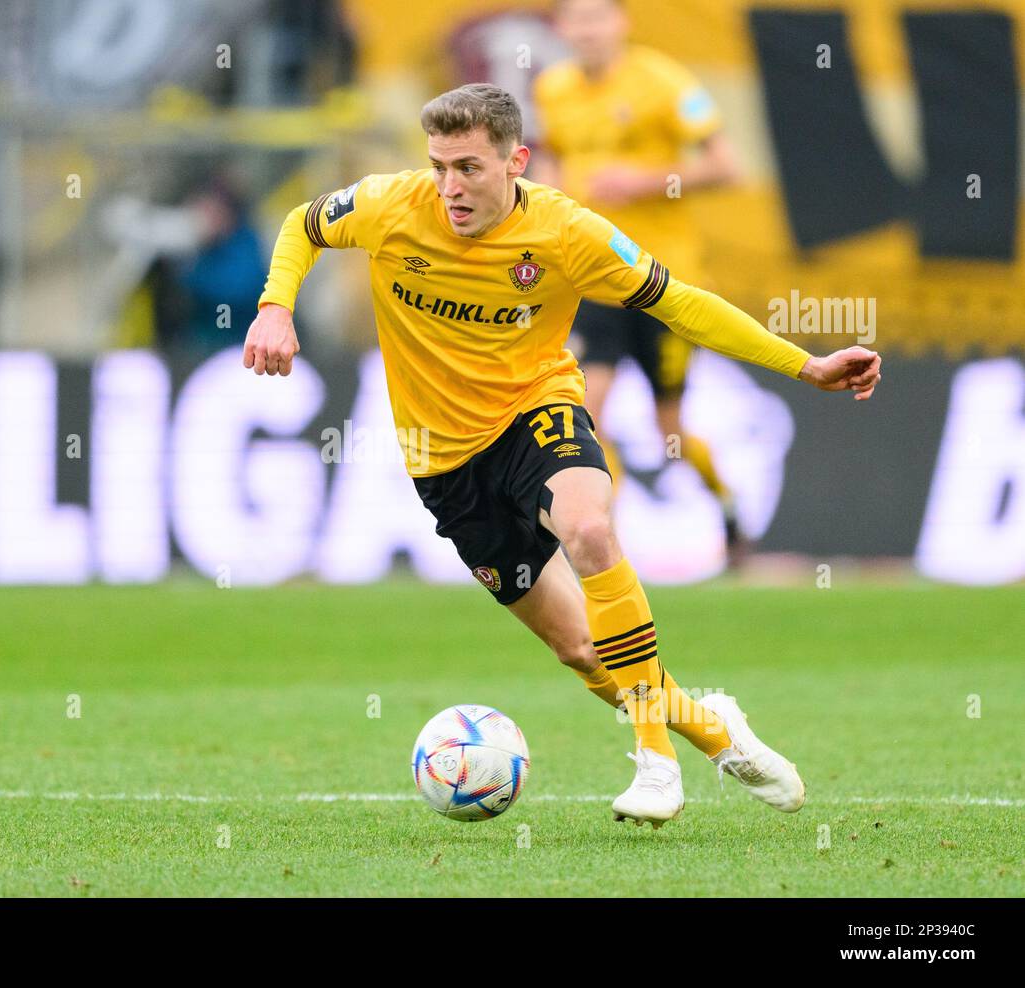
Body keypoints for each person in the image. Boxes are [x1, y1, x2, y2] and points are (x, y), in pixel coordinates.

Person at [242, 83, 880, 827]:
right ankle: (713, 729)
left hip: (536, 413)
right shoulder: (391, 204)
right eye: (440, 165)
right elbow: (302, 223)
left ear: (517, 161)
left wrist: (805, 365)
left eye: (470, 168)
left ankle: (655, 759)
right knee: (582, 649)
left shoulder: (567, 232)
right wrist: (274, 305)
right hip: (445, 465)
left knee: (589, 529)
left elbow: (683, 304)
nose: (450, 187)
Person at [530, 0, 746, 552]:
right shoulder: (553, 88)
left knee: (668, 431)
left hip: (661, 282)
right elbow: (553, 161)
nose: (588, 31)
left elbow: (727, 166)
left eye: (598, 18)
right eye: (577, 20)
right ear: (562, 29)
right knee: (585, 416)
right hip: (596, 282)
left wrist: (646, 181)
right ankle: (609, 548)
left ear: (621, 22)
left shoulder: (662, 82)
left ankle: (726, 507)